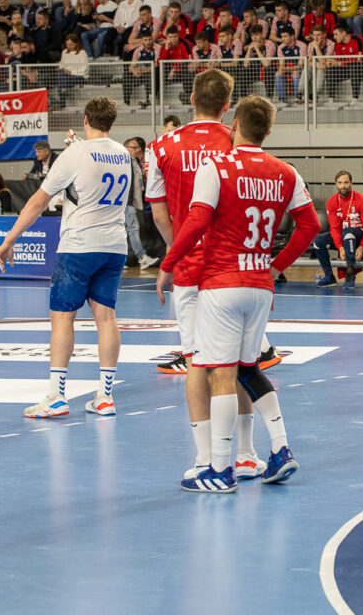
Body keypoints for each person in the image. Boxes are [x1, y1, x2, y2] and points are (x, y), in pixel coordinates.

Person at [157, 96, 321, 492]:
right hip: (260, 283)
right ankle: (280, 449)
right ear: (268, 131)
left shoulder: (216, 166)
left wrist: (168, 263)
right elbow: (310, 226)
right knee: (249, 369)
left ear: (234, 125)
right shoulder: (286, 171)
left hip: (222, 283)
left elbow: (197, 220)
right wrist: (277, 266)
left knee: (221, 374)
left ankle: (219, 469)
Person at [145, 73, 278, 477]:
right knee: (239, 363)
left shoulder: (161, 146)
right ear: (227, 105)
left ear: (191, 98)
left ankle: (205, 459)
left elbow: (159, 213)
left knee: (197, 363)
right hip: (233, 267)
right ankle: (246, 453)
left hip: (189, 269)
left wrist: (176, 251)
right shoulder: (236, 139)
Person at [0, 97, 131, 419]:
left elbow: (37, 202)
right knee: (106, 318)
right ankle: (105, 397)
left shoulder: (75, 153)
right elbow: (93, 172)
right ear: (112, 122)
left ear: (85, 119)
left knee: (62, 319)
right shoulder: (123, 153)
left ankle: (57, 396)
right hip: (114, 245)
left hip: (79, 246)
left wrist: (9, 240)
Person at [315, 171, 363, 290]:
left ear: (351, 183)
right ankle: (329, 276)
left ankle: (350, 273)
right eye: (340, 183)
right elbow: (334, 228)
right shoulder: (331, 202)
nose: (343, 186)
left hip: (359, 236)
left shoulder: (362, 200)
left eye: (346, 182)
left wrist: (362, 246)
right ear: (336, 184)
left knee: (348, 232)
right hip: (342, 236)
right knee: (318, 241)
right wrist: (340, 247)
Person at [123, 136, 160, 270]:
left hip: (132, 201)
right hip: (127, 202)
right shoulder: (125, 162)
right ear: (126, 148)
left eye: (138, 147)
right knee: (132, 229)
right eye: (134, 148)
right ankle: (142, 257)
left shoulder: (135, 162)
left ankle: (123, 260)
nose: (137, 150)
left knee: (127, 230)